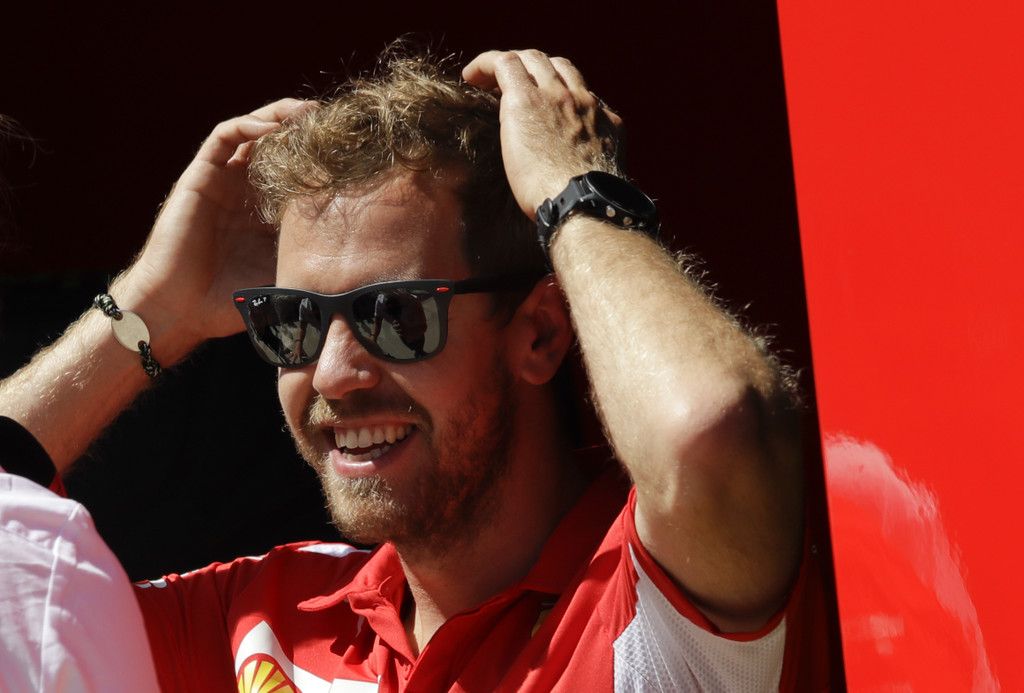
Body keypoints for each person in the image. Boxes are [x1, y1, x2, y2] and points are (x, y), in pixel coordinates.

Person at [0, 49, 829, 690]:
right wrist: (152, 307)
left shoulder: (652, 585)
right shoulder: (257, 620)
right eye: (292, 322)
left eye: (394, 316)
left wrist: (578, 191)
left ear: (541, 333)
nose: (333, 374)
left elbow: (709, 435)